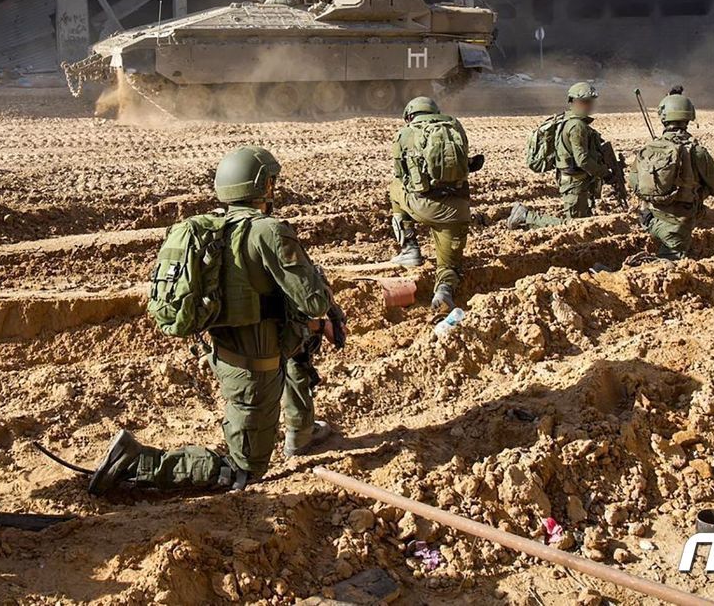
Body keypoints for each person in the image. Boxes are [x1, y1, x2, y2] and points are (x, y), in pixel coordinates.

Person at [88, 147, 345, 495]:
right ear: (262, 187)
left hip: (227, 352)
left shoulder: (214, 230)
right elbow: (312, 300)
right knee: (243, 471)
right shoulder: (269, 232)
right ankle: (135, 462)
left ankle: (300, 431)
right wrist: (322, 290)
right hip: (255, 366)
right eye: (271, 182)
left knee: (301, 346)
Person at [388, 97, 483, 313]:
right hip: (457, 211)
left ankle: (410, 248)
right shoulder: (454, 127)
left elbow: (399, 173)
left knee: (394, 187)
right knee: (449, 267)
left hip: (423, 206)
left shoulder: (404, 134)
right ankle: (444, 291)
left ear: (410, 116)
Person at [507, 82, 623, 228]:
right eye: (586, 102)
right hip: (575, 182)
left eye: (591, 101)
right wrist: (605, 174)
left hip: (577, 181)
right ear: (575, 102)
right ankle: (526, 216)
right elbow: (583, 160)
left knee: (582, 222)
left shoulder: (570, 121)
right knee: (574, 226)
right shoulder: (577, 126)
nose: (590, 105)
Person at [631, 91, 714, 259]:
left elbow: (634, 184)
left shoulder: (648, 149)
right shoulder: (697, 152)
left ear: (663, 117)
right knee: (669, 267)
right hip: (678, 225)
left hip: (649, 218)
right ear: (689, 118)